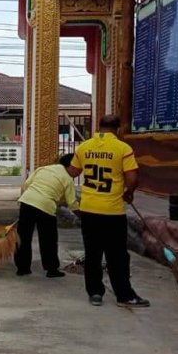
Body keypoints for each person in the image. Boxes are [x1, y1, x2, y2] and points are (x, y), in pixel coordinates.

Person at [68, 114, 150, 308]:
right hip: (112, 211)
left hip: (88, 209)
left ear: (99, 127)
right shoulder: (123, 148)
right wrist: (129, 193)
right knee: (118, 255)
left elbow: (73, 172)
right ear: (118, 129)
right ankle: (124, 295)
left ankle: (95, 293)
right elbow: (132, 178)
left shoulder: (84, 147)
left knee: (93, 253)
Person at [14, 154, 78, 278]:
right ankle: (51, 269)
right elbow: (72, 204)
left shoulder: (44, 169)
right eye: (78, 167)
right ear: (70, 166)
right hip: (45, 207)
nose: (80, 170)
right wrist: (84, 216)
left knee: (23, 237)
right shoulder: (67, 179)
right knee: (48, 239)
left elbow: (27, 185)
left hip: (27, 202)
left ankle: (22, 268)